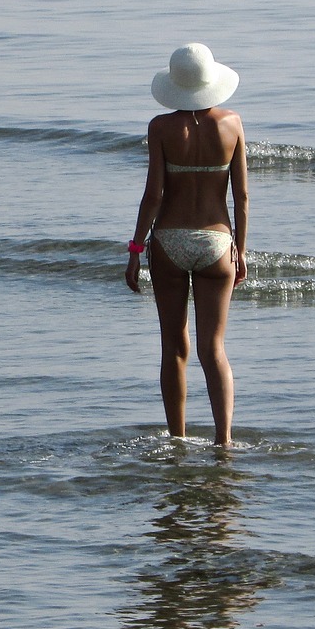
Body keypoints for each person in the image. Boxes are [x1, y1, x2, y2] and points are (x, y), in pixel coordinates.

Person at [125, 43, 248, 446]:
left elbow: (154, 196)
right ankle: (223, 440)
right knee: (214, 348)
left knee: (174, 346)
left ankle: (177, 439)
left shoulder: (160, 128)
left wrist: (135, 250)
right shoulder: (232, 123)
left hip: (169, 240)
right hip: (217, 241)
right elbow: (242, 198)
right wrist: (241, 251)